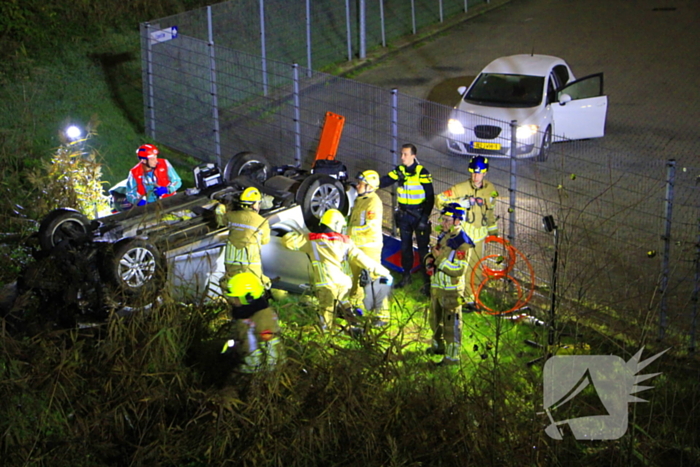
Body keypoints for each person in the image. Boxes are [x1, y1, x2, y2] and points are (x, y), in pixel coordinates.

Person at [280, 208, 392, 331]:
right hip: (344, 283)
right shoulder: (346, 242)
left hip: (326, 284)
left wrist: (300, 233)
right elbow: (362, 258)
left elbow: (288, 241)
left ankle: (332, 332)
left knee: (326, 314)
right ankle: (355, 324)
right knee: (344, 303)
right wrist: (384, 272)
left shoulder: (312, 240)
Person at [434, 155, 498, 304]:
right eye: (473, 172)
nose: (475, 176)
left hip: (480, 236)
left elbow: (490, 212)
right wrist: (459, 203)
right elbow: (439, 200)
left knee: (476, 269)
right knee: (459, 268)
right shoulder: (460, 188)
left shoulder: (490, 190)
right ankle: (455, 296)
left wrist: (493, 230)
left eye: (479, 173)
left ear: (485, 173)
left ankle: (471, 300)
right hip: (463, 235)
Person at [424, 203, 475, 366]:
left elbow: (458, 270)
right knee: (435, 319)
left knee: (451, 325)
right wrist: (429, 260)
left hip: (451, 291)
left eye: (447, 221)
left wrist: (438, 259)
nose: (443, 224)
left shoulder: (463, 243)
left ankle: (452, 358)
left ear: (457, 221)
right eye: (443, 220)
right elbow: (435, 253)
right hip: (438, 287)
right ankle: (438, 346)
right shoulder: (445, 236)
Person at [379, 143, 434, 290]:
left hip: (418, 214)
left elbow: (430, 197)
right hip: (404, 215)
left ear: (413, 156)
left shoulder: (422, 172)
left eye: (405, 154)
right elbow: (385, 181)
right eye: (401, 154)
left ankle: (427, 282)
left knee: (423, 249)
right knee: (405, 247)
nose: (402, 157)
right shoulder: (400, 170)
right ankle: (406, 276)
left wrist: (424, 218)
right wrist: (369, 183)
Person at [347, 170, 389, 324]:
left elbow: (370, 226)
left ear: (369, 186)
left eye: (361, 184)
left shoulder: (373, 202)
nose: (357, 186)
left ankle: (382, 316)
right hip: (356, 246)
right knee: (353, 277)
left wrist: (349, 233)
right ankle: (352, 307)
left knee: (373, 279)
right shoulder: (361, 199)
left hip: (369, 247)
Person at [221, 271, 282, 373]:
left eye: (237, 297)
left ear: (249, 298)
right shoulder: (244, 314)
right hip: (245, 368)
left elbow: (272, 352)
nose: (233, 301)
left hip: (256, 373)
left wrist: (269, 378)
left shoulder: (263, 318)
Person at [217, 187, 271, 289]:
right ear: (254, 204)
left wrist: (220, 209)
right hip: (251, 265)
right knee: (253, 291)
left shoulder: (231, 216)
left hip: (231, 265)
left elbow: (221, 220)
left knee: (234, 289)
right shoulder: (262, 221)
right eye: (259, 203)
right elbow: (265, 240)